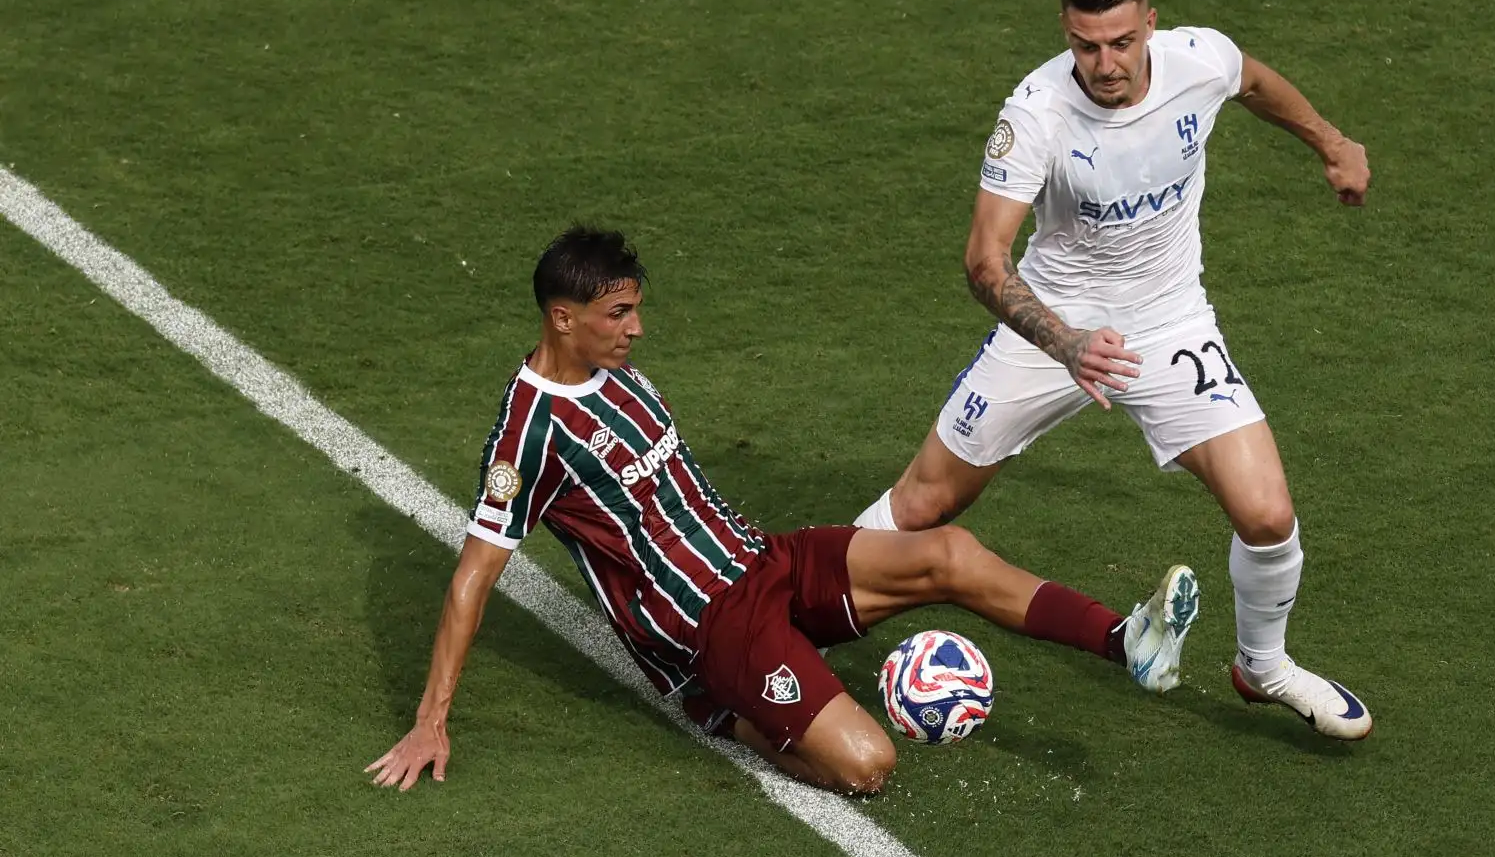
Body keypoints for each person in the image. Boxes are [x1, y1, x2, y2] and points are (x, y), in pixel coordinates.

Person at [367, 225, 1200, 795]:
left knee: (948, 551)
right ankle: (723, 708)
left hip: (764, 561)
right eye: (618, 314)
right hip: (712, 631)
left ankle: (1124, 640)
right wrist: (428, 722)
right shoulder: (529, 434)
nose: (637, 329)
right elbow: (475, 576)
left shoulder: (615, 372)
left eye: (635, 309)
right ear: (563, 318)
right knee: (869, 763)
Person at [853, 0, 1373, 739]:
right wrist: (1063, 342)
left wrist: (1331, 142)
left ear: (1150, 26)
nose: (1105, 63)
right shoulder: (1035, 115)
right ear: (1066, 32)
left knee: (1267, 514)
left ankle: (1263, 667)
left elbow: (1256, 83)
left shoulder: (1199, 60)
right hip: (1051, 325)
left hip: (1169, 322)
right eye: (1087, 45)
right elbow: (983, 261)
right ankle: (781, 603)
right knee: (927, 502)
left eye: (1122, 42)